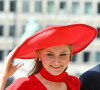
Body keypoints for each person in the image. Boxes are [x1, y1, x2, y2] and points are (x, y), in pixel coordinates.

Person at [0, 24, 98, 90]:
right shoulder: (23, 84)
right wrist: (3, 78)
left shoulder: (74, 82)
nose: (56, 62)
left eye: (63, 54)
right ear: (39, 55)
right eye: (50, 54)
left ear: (70, 55)